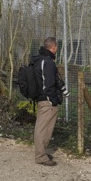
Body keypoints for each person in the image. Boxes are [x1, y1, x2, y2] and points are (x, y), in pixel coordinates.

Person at [31, 36, 67, 166]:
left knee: (43, 127)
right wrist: (53, 100)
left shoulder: (39, 60)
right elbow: (49, 84)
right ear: (53, 47)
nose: (57, 48)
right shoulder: (48, 62)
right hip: (47, 100)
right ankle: (40, 156)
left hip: (41, 98)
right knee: (43, 128)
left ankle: (42, 153)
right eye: (57, 46)